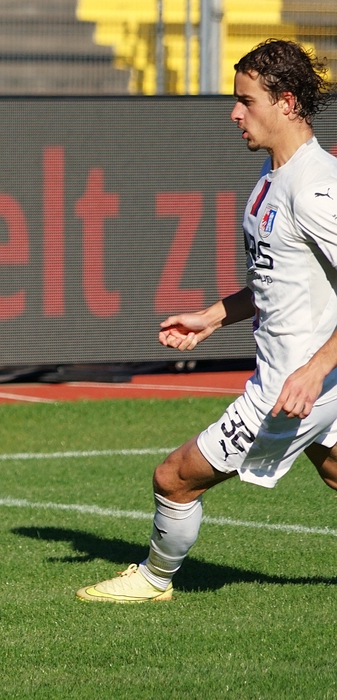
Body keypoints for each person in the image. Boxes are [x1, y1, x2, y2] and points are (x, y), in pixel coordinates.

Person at [77, 39, 337, 603]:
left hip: (292, 387)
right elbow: (277, 279)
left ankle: (153, 580)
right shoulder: (273, 175)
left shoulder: (316, 188)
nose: (235, 113)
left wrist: (314, 371)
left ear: (287, 102)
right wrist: (214, 316)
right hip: (310, 380)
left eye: (247, 101)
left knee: (174, 477)